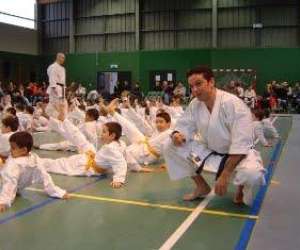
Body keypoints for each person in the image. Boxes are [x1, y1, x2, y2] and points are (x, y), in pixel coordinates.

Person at [163, 66, 265, 206]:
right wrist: (177, 134)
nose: (195, 90)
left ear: (211, 82)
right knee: (169, 145)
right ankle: (201, 186)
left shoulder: (232, 104)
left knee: (252, 174)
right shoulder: (195, 104)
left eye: (199, 84)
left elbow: (241, 144)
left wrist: (225, 175)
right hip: (210, 152)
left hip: (238, 156)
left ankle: (241, 188)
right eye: (191, 86)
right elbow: (184, 125)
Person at [0, 131, 68, 212]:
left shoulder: (34, 159)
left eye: (13, 148)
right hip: (5, 179)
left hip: (17, 183)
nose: (10, 150)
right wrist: (3, 202)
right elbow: (9, 183)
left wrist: (59, 193)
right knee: (9, 181)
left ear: (24, 150)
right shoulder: (12, 164)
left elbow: (45, 177)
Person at [46, 53, 66, 118]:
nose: (64, 59)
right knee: (54, 106)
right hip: (55, 88)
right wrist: (55, 90)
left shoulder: (62, 68)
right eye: (62, 58)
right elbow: (52, 79)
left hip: (61, 88)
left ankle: (60, 119)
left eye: (64, 58)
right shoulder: (53, 67)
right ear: (58, 57)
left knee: (61, 106)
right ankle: (54, 120)